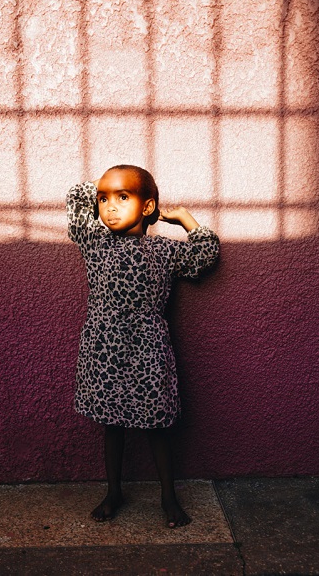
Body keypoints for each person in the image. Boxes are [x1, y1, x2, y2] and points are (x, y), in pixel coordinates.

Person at [66, 164, 219, 528]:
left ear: (148, 207)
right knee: (111, 424)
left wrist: (185, 219)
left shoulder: (165, 251)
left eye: (122, 197)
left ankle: (168, 496)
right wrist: (101, 185)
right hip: (102, 348)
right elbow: (76, 200)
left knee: (156, 424)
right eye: (103, 199)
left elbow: (205, 256)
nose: (110, 206)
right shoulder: (95, 242)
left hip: (148, 348)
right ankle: (113, 491)